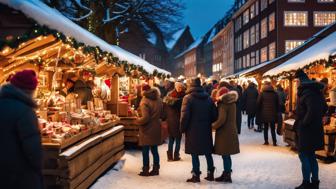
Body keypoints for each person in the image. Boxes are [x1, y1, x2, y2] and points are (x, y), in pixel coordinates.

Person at [0, 70, 43, 189]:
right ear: (29, 91)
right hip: (20, 174)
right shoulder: (25, 111)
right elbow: (33, 150)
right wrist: (39, 167)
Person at [294, 70, 328, 189]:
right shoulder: (315, 91)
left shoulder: (307, 92)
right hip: (313, 128)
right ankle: (314, 182)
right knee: (311, 156)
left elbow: (312, 111)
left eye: (296, 81)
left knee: (303, 155)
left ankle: (306, 183)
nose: (296, 84)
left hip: (307, 129)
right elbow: (324, 108)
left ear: (301, 81)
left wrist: (304, 122)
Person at [180, 78, 217, 183]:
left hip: (192, 130)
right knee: (207, 152)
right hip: (205, 129)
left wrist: (182, 128)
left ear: (190, 86)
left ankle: (196, 174)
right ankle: (211, 173)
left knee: (194, 152)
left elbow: (184, 117)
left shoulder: (188, 98)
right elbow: (214, 115)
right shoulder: (209, 98)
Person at [134, 83, 164, 176]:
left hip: (147, 129)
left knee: (145, 150)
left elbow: (145, 118)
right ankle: (156, 169)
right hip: (156, 127)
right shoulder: (159, 99)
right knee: (154, 149)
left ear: (143, 91)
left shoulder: (144, 101)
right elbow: (163, 114)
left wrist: (137, 121)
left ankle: (145, 169)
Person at [212, 87, 240, 183]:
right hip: (230, 131)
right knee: (226, 155)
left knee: (225, 155)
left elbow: (221, 119)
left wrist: (213, 126)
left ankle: (227, 175)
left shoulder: (224, 104)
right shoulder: (232, 103)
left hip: (225, 132)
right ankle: (226, 173)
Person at [163, 82, 186, 161]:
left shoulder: (169, 96)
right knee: (176, 139)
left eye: (180, 88)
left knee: (173, 138)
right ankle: (174, 156)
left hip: (171, 120)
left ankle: (171, 156)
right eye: (178, 87)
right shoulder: (184, 97)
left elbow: (165, 109)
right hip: (177, 120)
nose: (179, 89)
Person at [257, 81, 279, 146]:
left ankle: (266, 141)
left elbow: (258, 103)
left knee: (266, 128)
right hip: (273, 113)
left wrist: (260, 109)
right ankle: (274, 142)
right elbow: (278, 103)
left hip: (264, 113)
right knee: (272, 128)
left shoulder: (262, 93)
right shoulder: (275, 94)